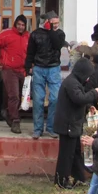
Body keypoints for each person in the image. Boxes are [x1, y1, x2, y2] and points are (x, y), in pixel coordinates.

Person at [53, 58, 98, 189]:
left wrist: (88, 106)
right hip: (68, 124)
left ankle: (79, 178)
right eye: (88, 75)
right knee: (66, 155)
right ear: (83, 72)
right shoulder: (71, 83)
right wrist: (94, 93)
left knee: (76, 153)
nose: (88, 79)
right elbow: (79, 98)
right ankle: (61, 181)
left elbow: (79, 99)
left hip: (72, 124)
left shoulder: (74, 82)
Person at [25, 11, 65, 140]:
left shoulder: (59, 34)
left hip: (54, 68)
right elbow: (30, 51)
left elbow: (57, 46)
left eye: (57, 22)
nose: (56, 24)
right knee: (38, 99)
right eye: (54, 22)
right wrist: (27, 66)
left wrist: (51, 31)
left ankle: (51, 127)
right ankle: (37, 129)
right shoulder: (35, 34)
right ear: (47, 21)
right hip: (38, 68)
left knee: (55, 98)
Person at [0, 15, 29, 134]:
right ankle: (15, 120)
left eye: (23, 25)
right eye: (19, 24)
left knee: (21, 96)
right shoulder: (6, 34)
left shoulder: (28, 36)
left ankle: (8, 113)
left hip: (22, 70)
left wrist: (31, 65)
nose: (21, 27)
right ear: (15, 24)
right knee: (14, 95)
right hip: (9, 69)